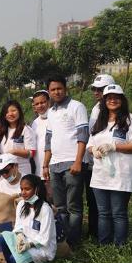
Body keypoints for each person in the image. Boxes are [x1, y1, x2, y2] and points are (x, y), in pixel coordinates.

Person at [88, 84, 132, 246]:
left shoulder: (131, 119)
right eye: (109, 98)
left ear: (122, 99)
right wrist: (94, 150)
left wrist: (114, 146)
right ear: (104, 101)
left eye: (116, 97)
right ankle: (104, 245)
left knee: (118, 213)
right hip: (100, 174)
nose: (113, 100)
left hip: (121, 174)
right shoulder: (100, 121)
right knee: (103, 213)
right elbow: (90, 144)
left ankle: (120, 246)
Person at [42, 75, 89, 248]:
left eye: (59, 88)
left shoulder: (77, 106)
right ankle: (63, 243)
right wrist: (45, 165)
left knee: (74, 206)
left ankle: (74, 242)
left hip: (72, 163)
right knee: (59, 206)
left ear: (65, 88)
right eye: (53, 89)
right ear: (49, 92)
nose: (56, 92)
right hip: (55, 165)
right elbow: (49, 140)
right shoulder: (51, 112)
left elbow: (83, 135)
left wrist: (78, 161)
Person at [0, 175, 56, 263]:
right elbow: (18, 226)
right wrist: (19, 236)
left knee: (14, 258)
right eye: (21, 189)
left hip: (41, 248)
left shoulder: (45, 209)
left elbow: (45, 238)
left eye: (27, 189)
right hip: (25, 241)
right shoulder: (21, 204)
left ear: (37, 189)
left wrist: (29, 245)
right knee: (3, 237)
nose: (23, 193)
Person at [83, 74, 115, 239]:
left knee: (110, 202)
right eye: (94, 89)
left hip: (109, 162)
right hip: (92, 162)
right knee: (93, 200)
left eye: (100, 89)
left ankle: (110, 235)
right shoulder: (96, 108)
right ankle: (95, 232)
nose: (96, 92)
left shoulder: (113, 110)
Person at [0, 100, 36, 176]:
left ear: (19, 112)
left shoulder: (26, 129)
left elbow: (32, 153)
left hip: (22, 170)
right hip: (5, 171)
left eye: (13, 110)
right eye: (7, 112)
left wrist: (14, 152)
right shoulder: (0, 131)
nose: (10, 114)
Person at [30, 90, 50, 179]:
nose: (40, 106)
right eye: (37, 104)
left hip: (53, 168)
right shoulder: (34, 123)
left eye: (43, 102)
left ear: (49, 102)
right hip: (38, 170)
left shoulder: (55, 118)